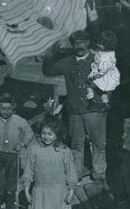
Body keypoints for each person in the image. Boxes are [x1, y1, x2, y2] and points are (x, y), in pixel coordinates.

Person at [42, 31, 108, 188]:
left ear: (87, 42)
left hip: (95, 111)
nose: (79, 46)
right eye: (76, 43)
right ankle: (76, 174)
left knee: (98, 144)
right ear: (72, 45)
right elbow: (48, 70)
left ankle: (99, 174)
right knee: (76, 145)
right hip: (74, 112)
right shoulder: (66, 62)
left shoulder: (97, 60)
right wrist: (51, 52)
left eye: (82, 42)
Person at [23, 115, 78, 209]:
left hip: (58, 194)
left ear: (58, 134)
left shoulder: (64, 152)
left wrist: (71, 191)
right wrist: (27, 190)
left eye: (50, 134)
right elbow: (29, 172)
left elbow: (71, 173)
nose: (46, 137)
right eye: (43, 133)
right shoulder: (34, 149)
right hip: (39, 192)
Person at [87, 30, 121, 107]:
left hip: (104, 75)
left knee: (90, 85)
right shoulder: (106, 52)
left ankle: (91, 98)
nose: (98, 44)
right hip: (107, 73)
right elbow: (97, 53)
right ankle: (105, 102)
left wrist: (94, 77)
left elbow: (103, 70)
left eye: (101, 43)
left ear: (107, 45)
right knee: (102, 91)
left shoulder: (106, 58)